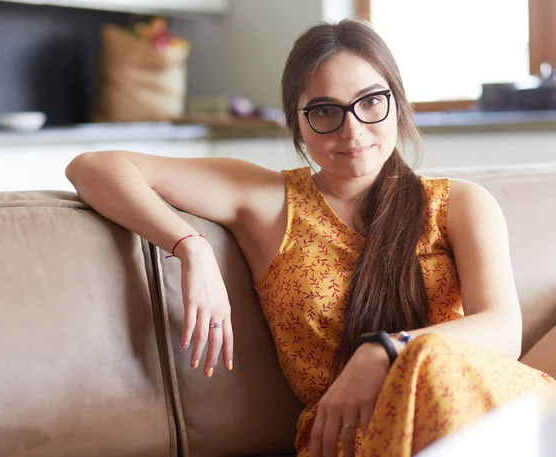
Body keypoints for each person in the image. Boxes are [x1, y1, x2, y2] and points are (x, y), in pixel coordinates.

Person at [65, 19, 555, 457]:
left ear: (397, 102)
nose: (352, 129)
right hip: (350, 441)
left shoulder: (459, 204)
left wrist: (383, 351)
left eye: (370, 102)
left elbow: (503, 333)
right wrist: (187, 245)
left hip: (482, 421)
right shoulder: (269, 201)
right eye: (325, 111)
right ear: (298, 123)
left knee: (431, 361)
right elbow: (96, 166)